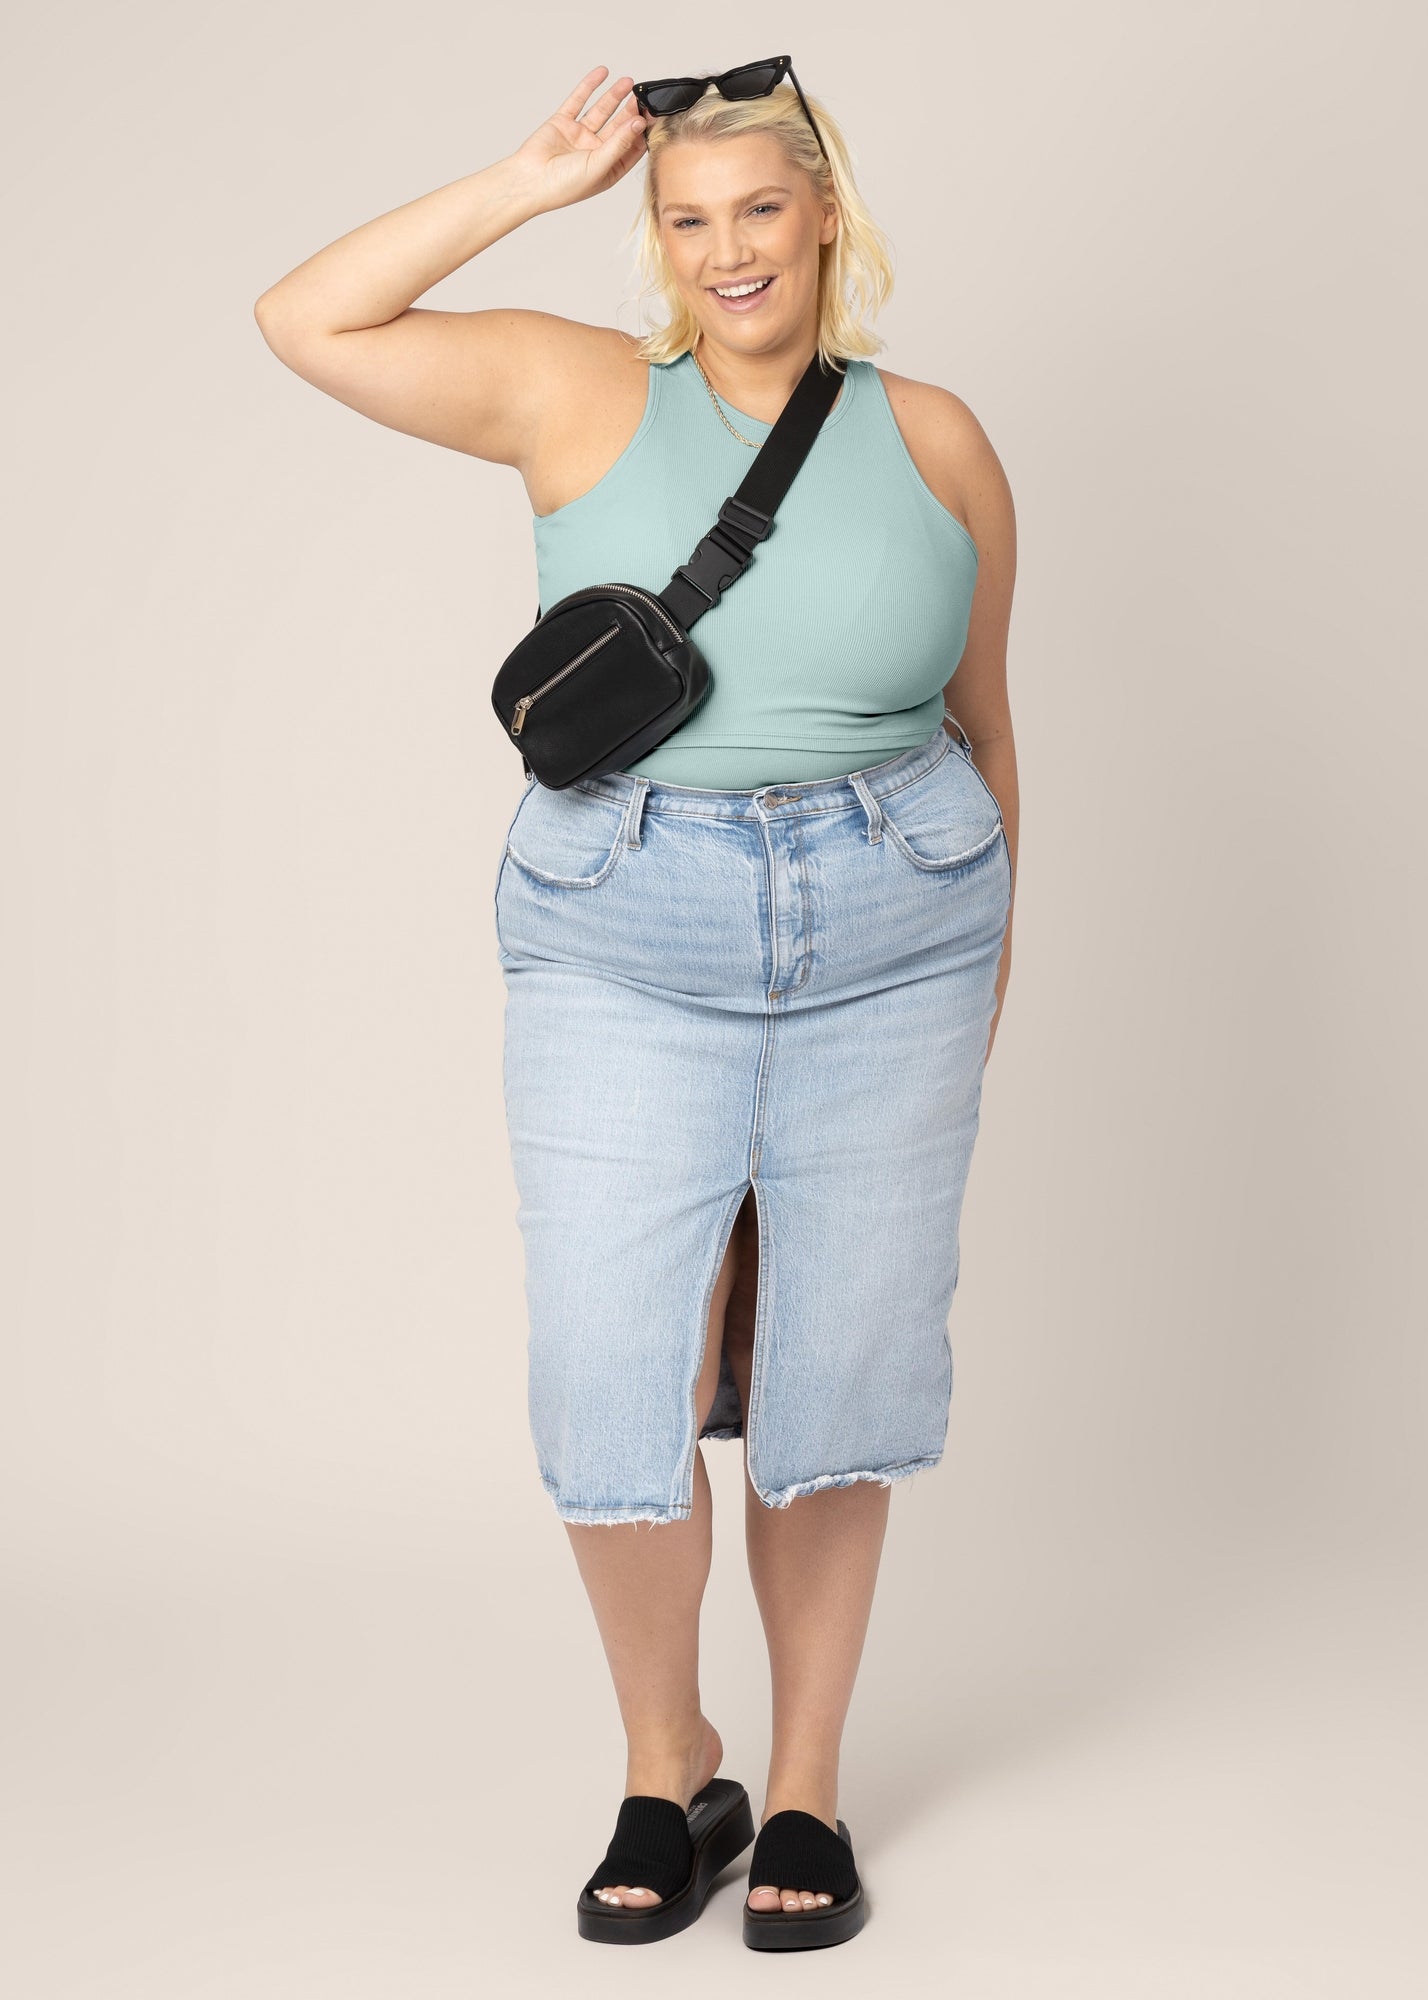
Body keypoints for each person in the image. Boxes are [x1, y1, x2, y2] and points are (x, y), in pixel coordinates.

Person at [253, 56, 1019, 1951]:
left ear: (825, 212)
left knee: (838, 1382)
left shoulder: (937, 439)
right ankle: (670, 1763)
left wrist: (986, 985)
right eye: (687, 220)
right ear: (654, 239)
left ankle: (813, 1785)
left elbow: (990, 731)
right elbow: (306, 316)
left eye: (760, 209)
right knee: (619, 1375)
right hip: (625, 930)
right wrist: (529, 176)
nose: (726, 251)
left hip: (898, 930)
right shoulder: (578, 389)